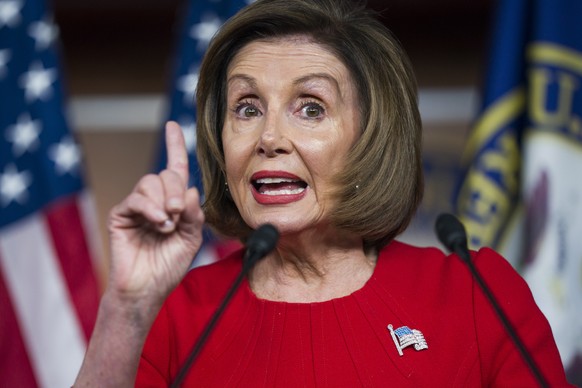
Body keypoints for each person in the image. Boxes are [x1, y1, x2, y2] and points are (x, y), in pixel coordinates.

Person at [75, 0, 572, 386]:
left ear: (371, 136)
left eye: (310, 107)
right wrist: (128, 306)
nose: (268, 138)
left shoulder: (475, 295)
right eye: (246, 108)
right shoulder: (174, 318)